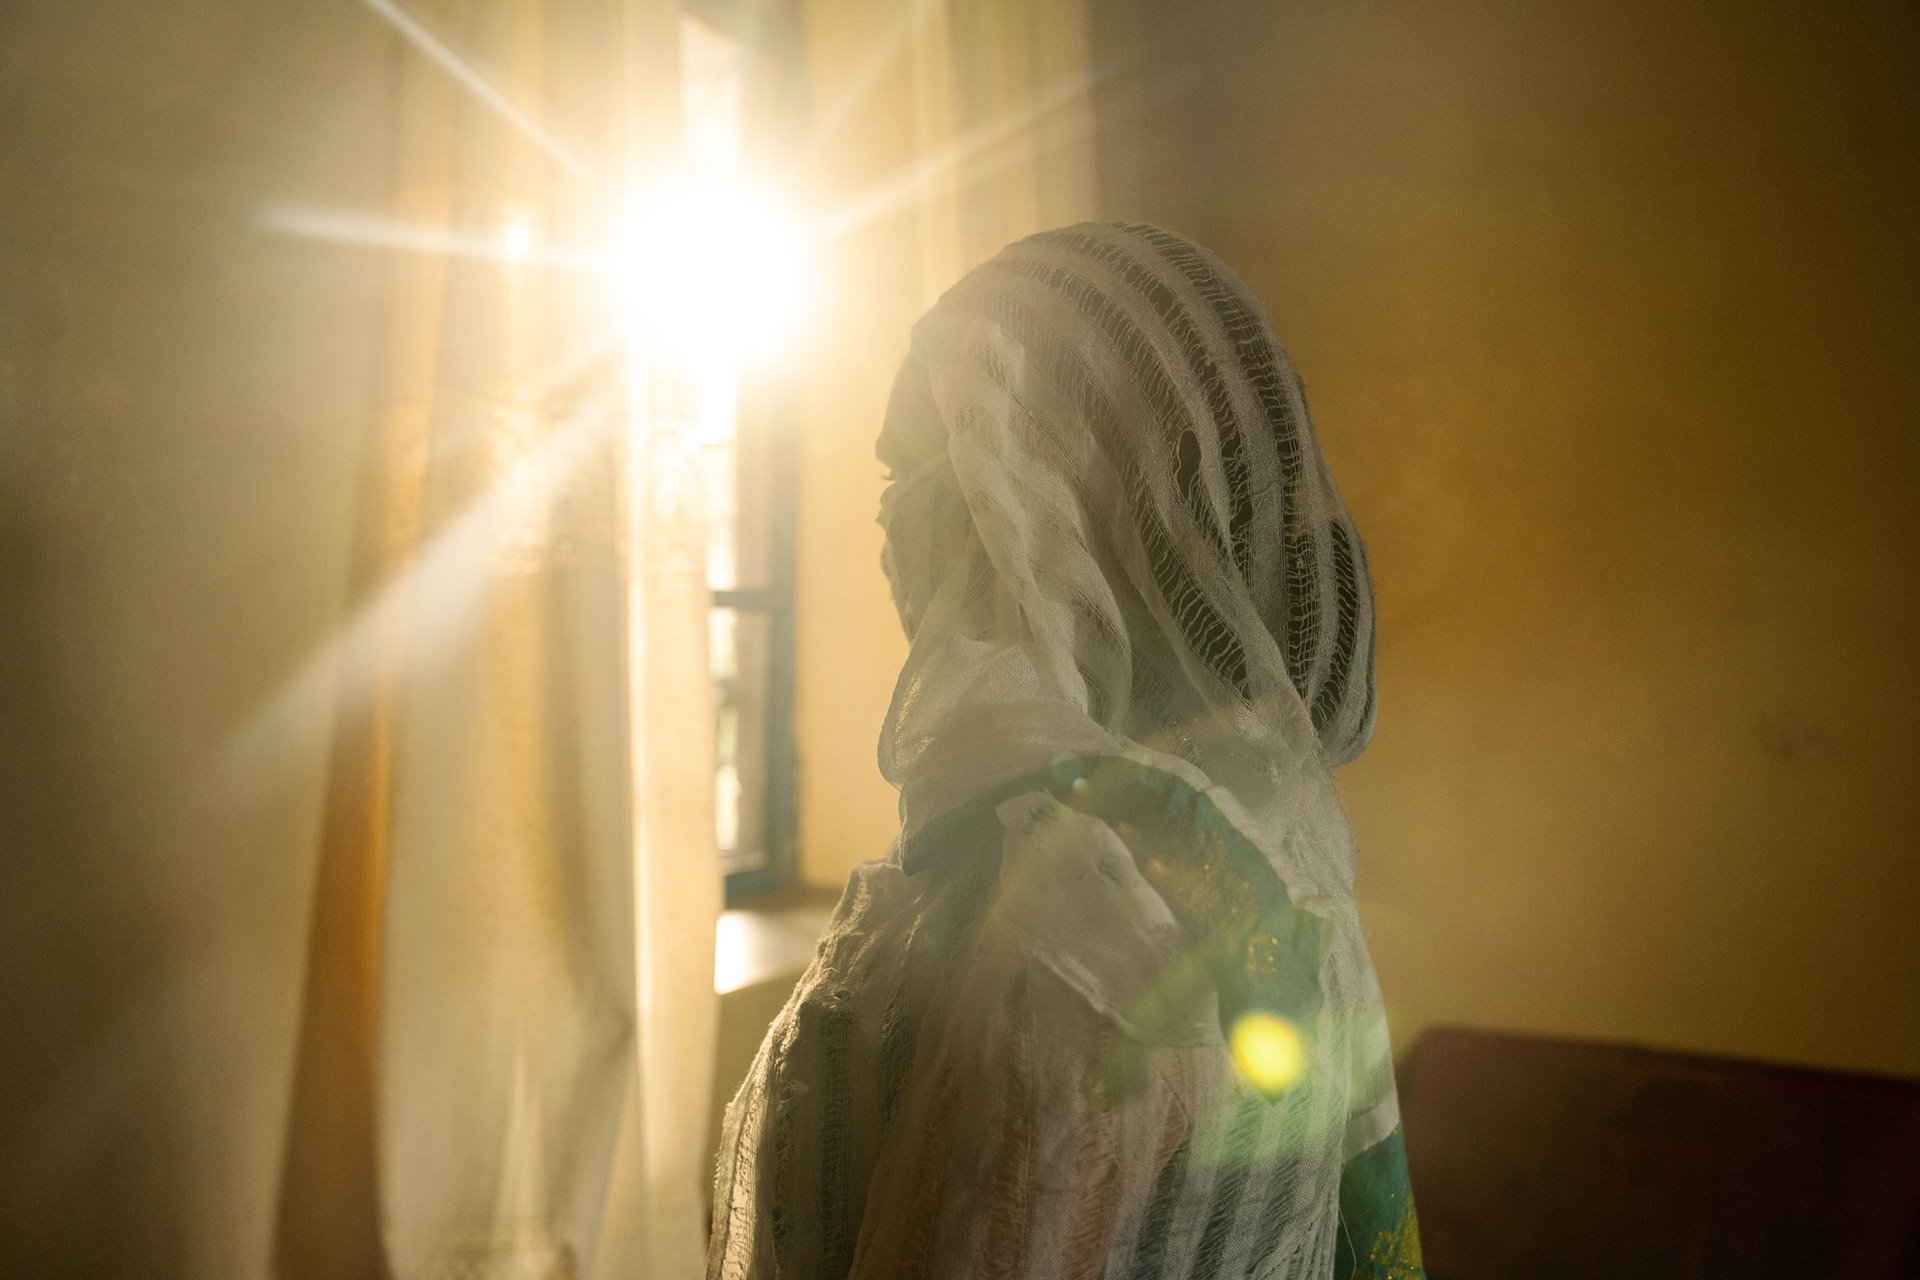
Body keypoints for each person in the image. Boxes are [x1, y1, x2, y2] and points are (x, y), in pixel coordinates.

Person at [709, 222, 1422, 1280]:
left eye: (920, 466)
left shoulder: (1083, 920)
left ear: (1058, 501)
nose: (886, 519)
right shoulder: (1261, 843)